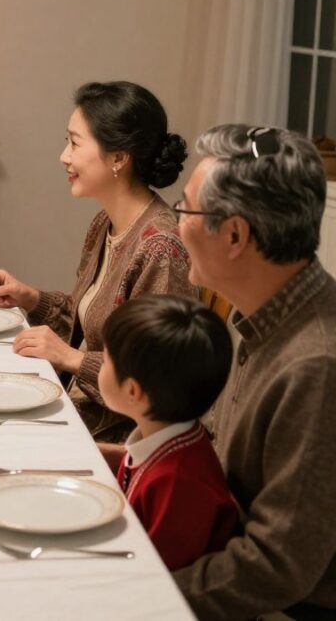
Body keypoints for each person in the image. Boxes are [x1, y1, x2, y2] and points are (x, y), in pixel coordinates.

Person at [170, 125, 336, 619]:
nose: (176, 222)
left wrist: (142, 591)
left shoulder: (316, 366)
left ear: (236, 234)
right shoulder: (267, 310)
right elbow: (227, 469)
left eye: (185, 209)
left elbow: (276, 567)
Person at [0, 81, 196, 442]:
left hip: (121, 438)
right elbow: (92, 323)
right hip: (84, 409)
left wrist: (70, 358)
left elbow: (156, 380)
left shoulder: (160, 247)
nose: (63, 156)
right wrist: (31, 298)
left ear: (118, 158)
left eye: (75, 143)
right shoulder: (105, 223)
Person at [99, 295, 239, 571]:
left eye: (104, 360)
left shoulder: (179, 481)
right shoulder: (165, 438)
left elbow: (156, 573)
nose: (100, 367)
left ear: (132, 391)